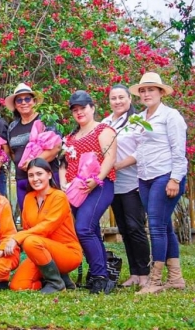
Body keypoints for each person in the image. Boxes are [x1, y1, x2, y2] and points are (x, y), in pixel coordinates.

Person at [129, 72, 188, 294]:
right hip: (144, 177)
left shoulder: (171, 116)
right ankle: (175, 277)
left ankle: (154, 281)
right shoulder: (141, 117)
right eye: (143, 90)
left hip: (165, 175)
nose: (146, 93)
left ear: (161, 92)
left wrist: (175, 179)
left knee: (155, 226)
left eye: (151, 89)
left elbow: (178, 151)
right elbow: (140, 150)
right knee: (163, 225)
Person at [60, 91, 117, 294]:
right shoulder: (71, 137)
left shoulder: (104, 130)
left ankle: (100, 276)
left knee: (84, 228)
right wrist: (63, 185)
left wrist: (97, 179)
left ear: (92, 108)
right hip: (76, 190)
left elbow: (110, 158)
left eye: (82, 108)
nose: (79, 112)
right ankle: (101, 275)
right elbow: (64, 164)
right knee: (89, 231)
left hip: (100, 186)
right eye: (75, 110)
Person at [5, 159, 82, 294]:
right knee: (18, 286)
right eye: (31, 175)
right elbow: (27, 228)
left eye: (39, 174)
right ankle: (60, 279)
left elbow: (47, 227)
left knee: (30, 241)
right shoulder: (29, 198)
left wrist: (17, 237)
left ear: (50, 175)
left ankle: (56, 283)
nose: (35, 179)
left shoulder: (59, 196)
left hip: (67, 253)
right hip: (39, 251)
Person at [101, 84, 150, 287]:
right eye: (114, 98)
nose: (118, 101)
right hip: (114, 184)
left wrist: (119, 164)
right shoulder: (105, 123)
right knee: (124, 228)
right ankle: (134, 273)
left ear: (130, 99)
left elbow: (142, 151)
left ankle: (145, 274)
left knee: (135, 227)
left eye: (122, 97)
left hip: (133, 182)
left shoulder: (137, 121)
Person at [5, 83, 62, 211]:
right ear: (15, 105)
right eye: (19, 100)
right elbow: (13, 152)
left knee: (48, 217)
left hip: (45, 179)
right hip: (22, 180)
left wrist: (33, 163)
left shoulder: (45, 120)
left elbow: (56, 147)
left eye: (27, 99)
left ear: (34, 101)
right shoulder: (12, 126)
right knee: (28, 220)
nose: (23, 102)